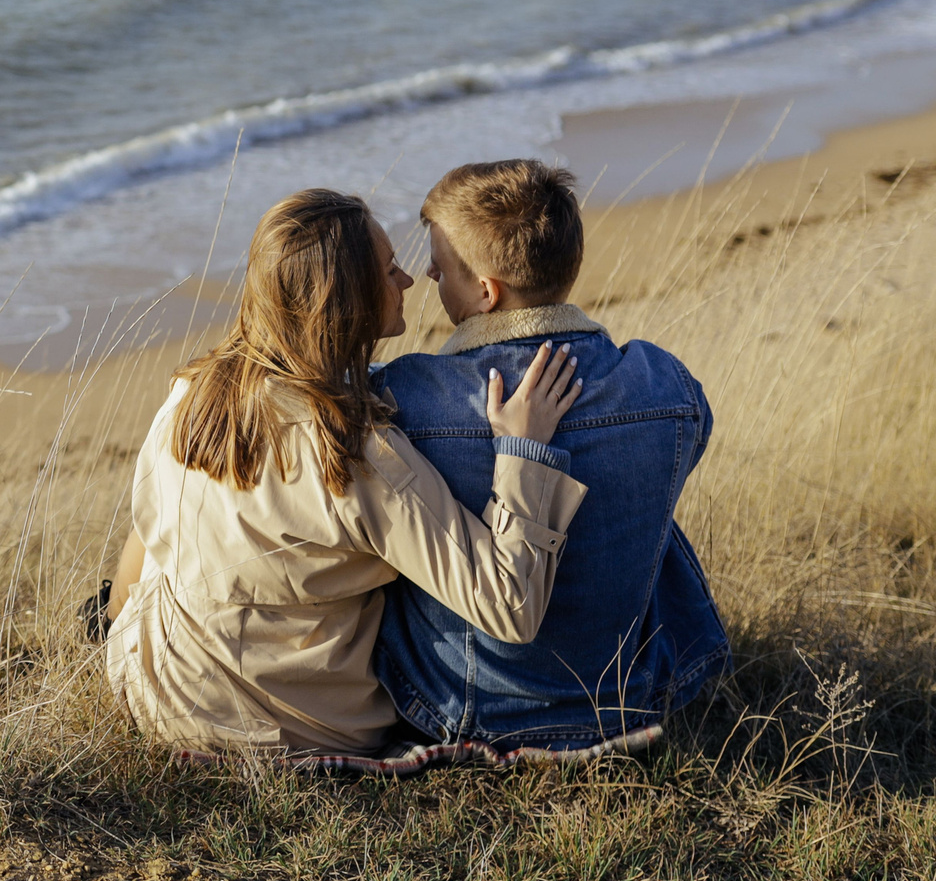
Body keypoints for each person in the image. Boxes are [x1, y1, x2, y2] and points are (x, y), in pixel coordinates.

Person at [103, 188, 588, 755]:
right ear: (347, 300)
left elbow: (145, 540)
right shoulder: (358, 453)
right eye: (389, 270)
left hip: (149, 683)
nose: (408, 280)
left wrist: (114, 628)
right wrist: (524, 451)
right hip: (277, 727)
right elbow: (508, 607)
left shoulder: (191, 394)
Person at [373, 159, 730, 752]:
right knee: (643, 499)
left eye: (441, 266)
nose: (428, 272)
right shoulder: (662, 382)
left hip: (466, 706)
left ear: (486, 292)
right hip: (625, 696)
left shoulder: (408, 395)